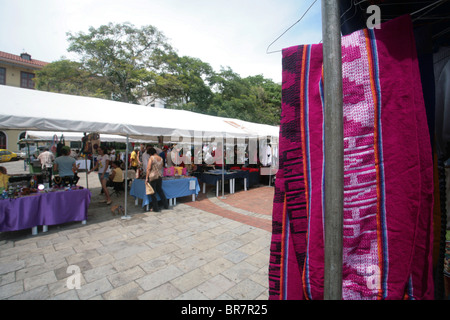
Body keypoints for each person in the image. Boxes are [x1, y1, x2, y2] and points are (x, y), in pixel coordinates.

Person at [146, 147, 168, 212]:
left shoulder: (152, 158)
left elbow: (148, 168)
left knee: (153, 193)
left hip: (152, 176)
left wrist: (147, 177)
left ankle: (156, 208)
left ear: (150, 153)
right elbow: (161, 166)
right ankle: (166, 205)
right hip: (159, 176)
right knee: (160, 191)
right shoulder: (161, 158)